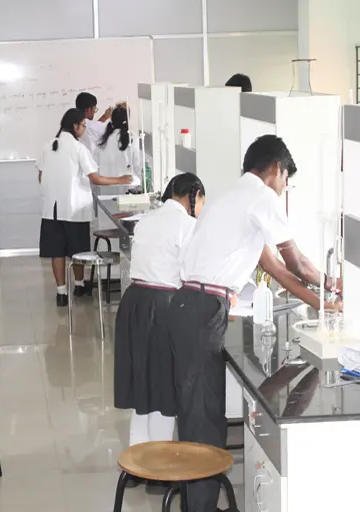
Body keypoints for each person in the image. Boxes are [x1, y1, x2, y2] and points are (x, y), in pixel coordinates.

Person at [168, 134, 341, 512]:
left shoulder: (233, 197)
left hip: (189, 306)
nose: (284, 188)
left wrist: (326, 302)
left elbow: (273, 267)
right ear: (277, 169)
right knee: (203, 416)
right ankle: (199, 508)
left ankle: (197, 503)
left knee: (199, 413)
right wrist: (332, 286)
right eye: (286, 180)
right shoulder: (262, 197)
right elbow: (295, 263)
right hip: (201, 310)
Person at [114, 174, 205, 478]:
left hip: (134, 304)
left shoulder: (147, 220)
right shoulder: (187, 226)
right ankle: (160, 469)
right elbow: (191, 275)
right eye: (201, 201)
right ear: (193, 195)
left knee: (143, 386)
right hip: (163, 307)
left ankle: (135, 466)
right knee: (165, 389)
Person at [38, 108, 133, 307]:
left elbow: (41, 176)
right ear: (75, 126)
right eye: (83, 125)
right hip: (74, 209)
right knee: (77, 250)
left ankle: (61, 293)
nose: (83, 129)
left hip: (51, 210)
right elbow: (95, 178)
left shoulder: (48, 146)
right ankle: (79, 286)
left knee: (57, 251)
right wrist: (121, 179)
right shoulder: (78, 148)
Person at [94, 106, 140, 180]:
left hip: (105, 184)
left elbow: (94, 166)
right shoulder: (132, 138)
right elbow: (137, 165)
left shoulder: (102, 141)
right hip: (126, 184)